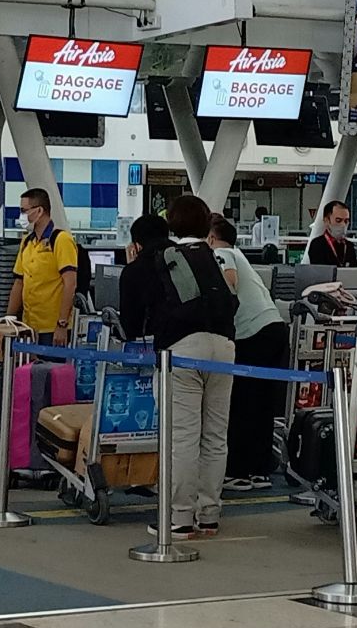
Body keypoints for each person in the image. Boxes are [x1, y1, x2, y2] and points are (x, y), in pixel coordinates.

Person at [119, 197, 237, 538]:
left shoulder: (160, 260)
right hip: (225, 346)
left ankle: (180, 518)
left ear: (172, 222)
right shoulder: (211, 256)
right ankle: (209, 515)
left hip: (182, 349)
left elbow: (132, 322)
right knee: (215, 435)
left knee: (183, 436)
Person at [210, 217, 285, 493]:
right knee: (263, 405)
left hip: (251, 335)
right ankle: (259, 469)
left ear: (210, 237)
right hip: (274, 328)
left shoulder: (222, 253)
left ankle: (238, 471)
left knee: (241, 403)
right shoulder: (240, 255)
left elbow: (229, 283)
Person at [7, 188, 79, 345]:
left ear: (39, 211)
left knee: (51, 368)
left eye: (24, 210)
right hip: (29, 326)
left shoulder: (61, 240)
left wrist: (62, 323)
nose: (22, 216)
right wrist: (9, 320)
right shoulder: (27, 242)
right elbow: (19, 282)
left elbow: (70, 284)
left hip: (52, 328)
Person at [307, 200, 357, 267]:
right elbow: (319, 273)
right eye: (338, 220)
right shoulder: (317, 245)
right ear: (327, 221)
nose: (343, 225)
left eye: (346, 221)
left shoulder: (349, 246)